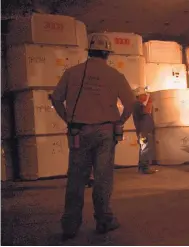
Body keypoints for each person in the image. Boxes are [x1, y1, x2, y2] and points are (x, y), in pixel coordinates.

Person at [50, 34, 135, 240]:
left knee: (76, 179)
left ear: (89, 51)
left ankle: (70, 225)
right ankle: (104, 220)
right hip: (106, 132)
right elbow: (130, 103)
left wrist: (68, 119)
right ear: (107, 53)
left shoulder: (72, 73)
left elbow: (57, 99)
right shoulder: (115, 75)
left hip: (79, 131)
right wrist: (120, 121)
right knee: (103, 177)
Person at [132, 86, 157, 174]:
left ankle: (142, 167)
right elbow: (146, 111)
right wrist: (150, 102)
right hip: (143, 132)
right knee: (145, 149)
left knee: (144, 148)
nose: (146, 96)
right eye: (144, 95)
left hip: (144, 131)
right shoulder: (137, 104)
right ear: (139, 96)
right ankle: (144, 168)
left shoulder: (139, 104)